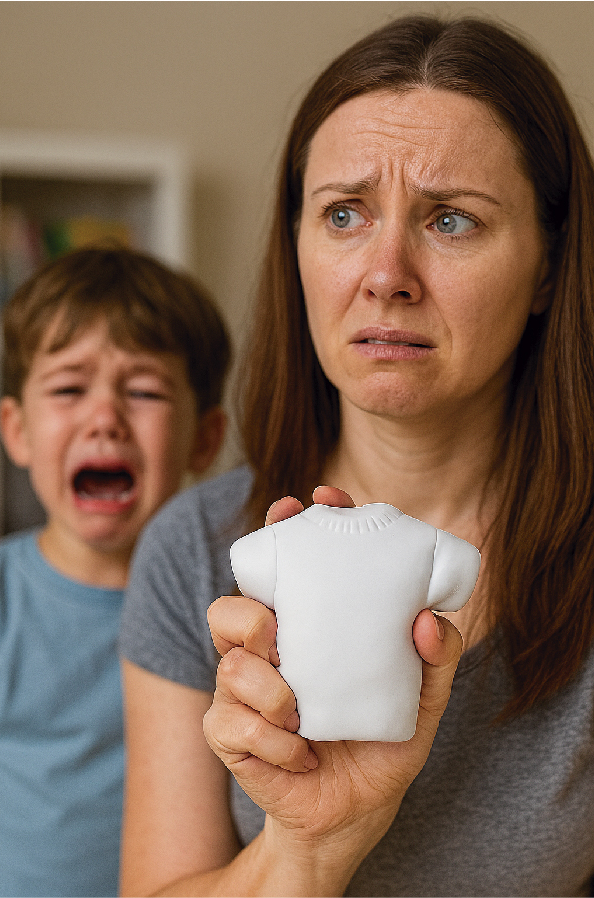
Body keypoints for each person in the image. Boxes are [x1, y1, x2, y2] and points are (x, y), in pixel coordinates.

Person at [119, 15, 594, 898]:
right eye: (343, 213)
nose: (385, 273)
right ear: (294, 244)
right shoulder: (193, 549)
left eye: (450, 219)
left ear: (545, 266)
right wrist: (305, 847)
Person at [0, 245, 231, 898]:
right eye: (69, 389)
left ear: (204, 440)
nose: (104, 420)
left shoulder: (231, 612)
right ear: (16, 431)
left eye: (145, 391)